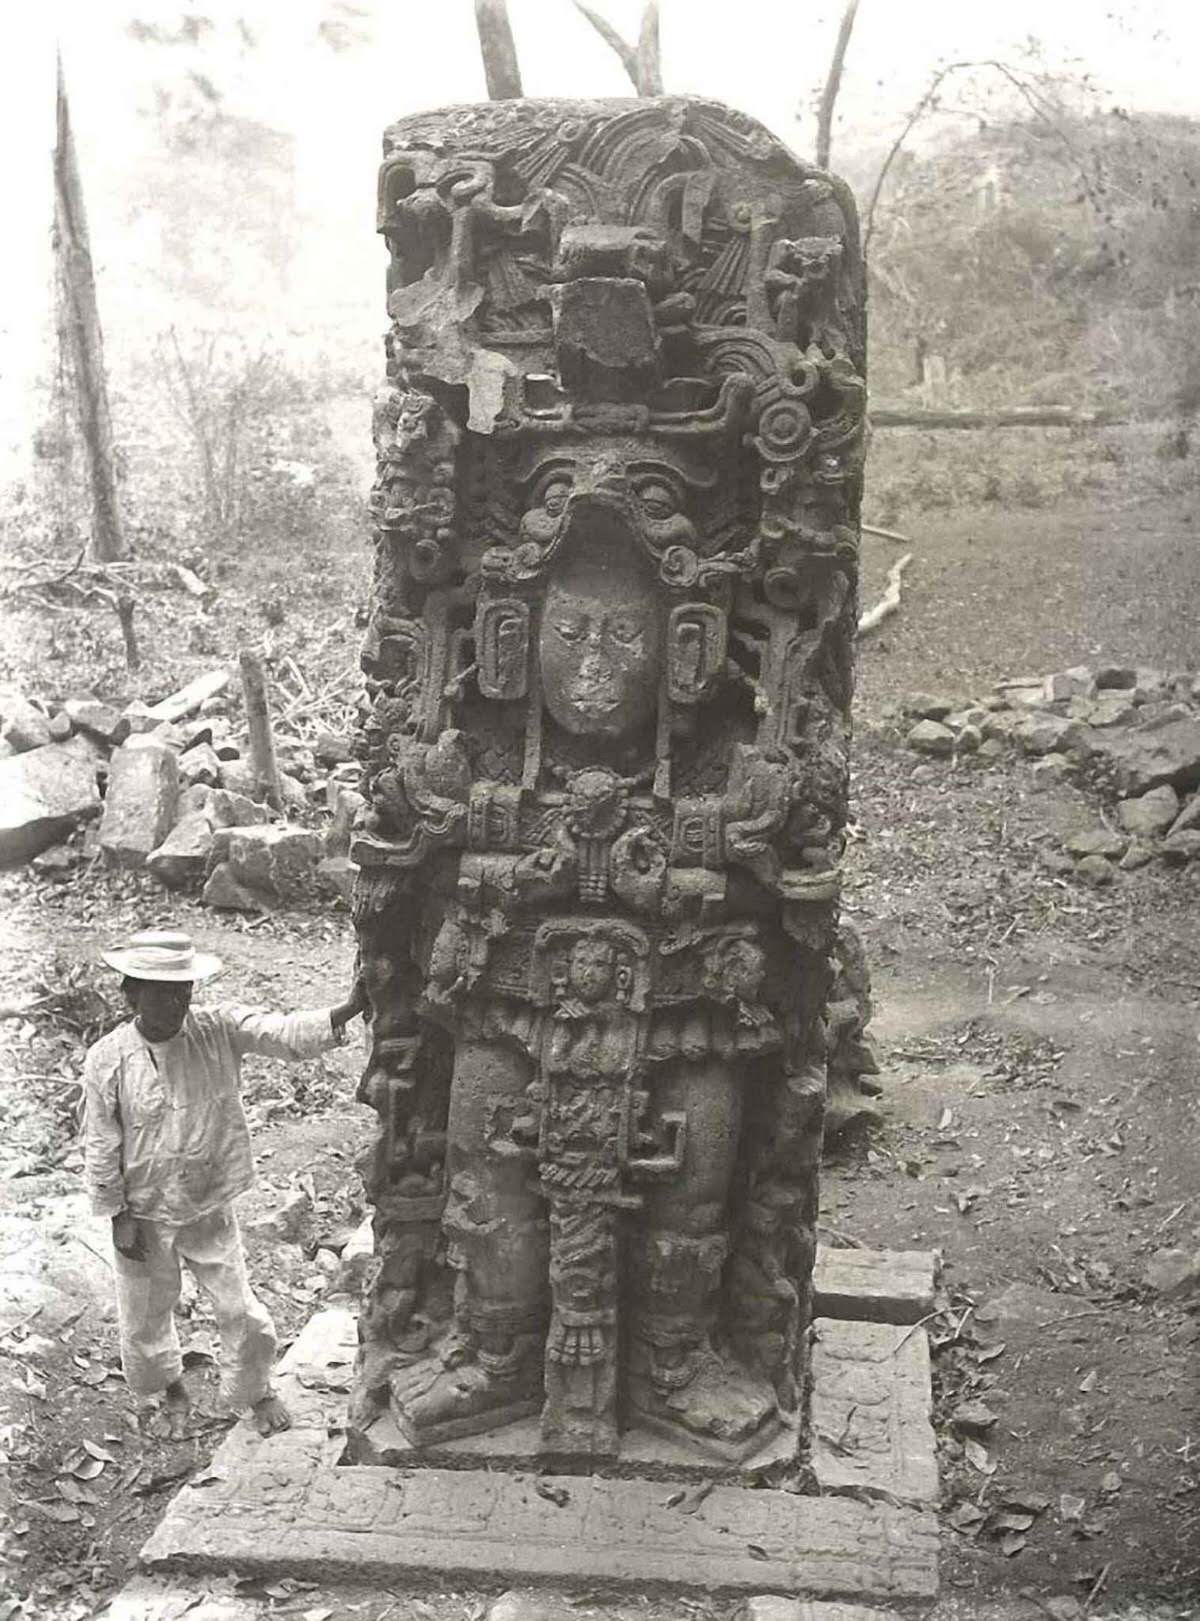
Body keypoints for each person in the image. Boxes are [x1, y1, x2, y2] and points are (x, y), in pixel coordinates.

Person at [82, 929, 367, 1437]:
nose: (177, 1001)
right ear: (131, 993)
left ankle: (254, 1391)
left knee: (240, 1309)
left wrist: (346, 1010)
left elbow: (281, 1033)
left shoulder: (216, 1029)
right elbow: (102, 1142)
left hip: (208, 1204)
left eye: (184, 990)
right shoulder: (108, 1059)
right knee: (146, 1313)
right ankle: (170, 1388)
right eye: (162, 991)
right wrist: (118, 1214)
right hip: (144, 1212)